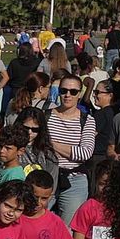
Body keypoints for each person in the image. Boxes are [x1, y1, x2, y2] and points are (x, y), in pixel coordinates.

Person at [43, 72, 97, 224]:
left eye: (73, 92)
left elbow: (85, 153)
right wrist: (69, 149)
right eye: (63, 91)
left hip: (75, 179)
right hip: (46, 175)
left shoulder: (87, 120)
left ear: (79, 94)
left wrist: (53, 144)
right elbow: (39, 146)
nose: (68, 95)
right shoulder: (45, 116)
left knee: (68, 229)